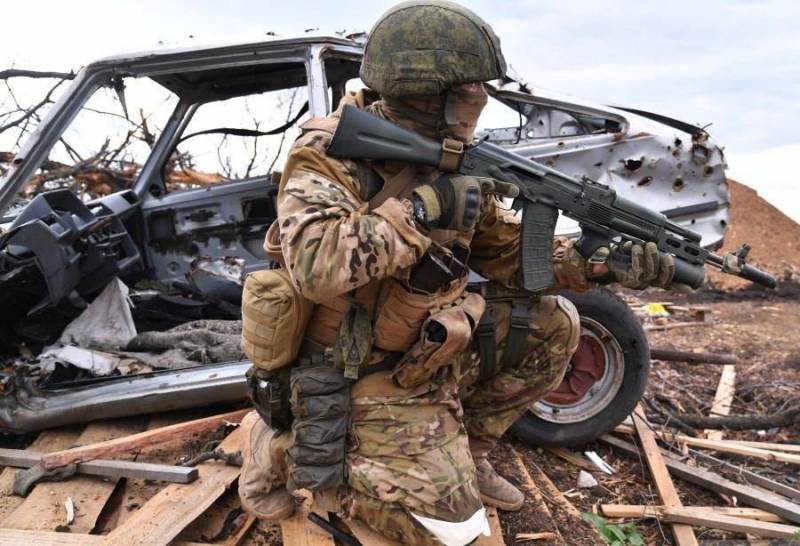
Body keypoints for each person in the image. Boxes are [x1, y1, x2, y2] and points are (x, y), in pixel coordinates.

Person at [237, 2, 681, 545]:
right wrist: (422, 210)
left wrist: (597, 263)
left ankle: (470, 454)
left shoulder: (452, 157)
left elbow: (510, 257)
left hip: (427, 348)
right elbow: (316, 265)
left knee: (555, 322)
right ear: (425, 89)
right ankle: (283, 445)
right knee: (448, 529)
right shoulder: (330, 152)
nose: (480, 95)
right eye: (469, 84)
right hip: (350, 367)